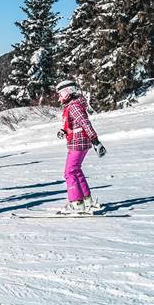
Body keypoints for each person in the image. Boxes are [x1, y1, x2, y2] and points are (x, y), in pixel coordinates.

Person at [56, 80, 106, 213]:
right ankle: (87, 200)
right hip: (78, 141)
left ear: (68, 92)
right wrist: (64, 131)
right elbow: (76, 124)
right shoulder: (73, 106)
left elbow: (85, 123)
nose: (59, 97)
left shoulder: (74, 107)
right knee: (76, 170)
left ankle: (76, 203)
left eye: (61, 93)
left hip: (78, 142)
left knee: (69, 172)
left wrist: (96, 141)